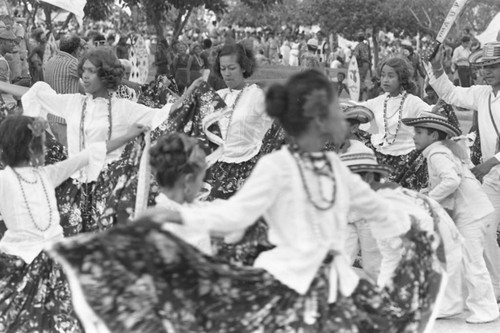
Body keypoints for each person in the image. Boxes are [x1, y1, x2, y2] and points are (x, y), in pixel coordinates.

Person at [47, 70, 445, 333]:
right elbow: (235, 214)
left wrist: (413, 225)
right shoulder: (276, 167)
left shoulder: (337, 167)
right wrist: (180, 217)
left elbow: (378, 208)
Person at [0, 47, 186, 236]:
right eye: (84, 70)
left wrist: (190, 94)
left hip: (109, 191)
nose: (85, 76)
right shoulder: (74, 103)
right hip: (73, 189)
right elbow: (34, 94)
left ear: (106, 74)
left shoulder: (123, 108)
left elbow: (163, 114)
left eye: (92, 71)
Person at [0, 115, 145, 332]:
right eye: (41, 142)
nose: (46, 147)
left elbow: (89, 155)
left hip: (59, 261)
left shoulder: (46, 174)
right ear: (31, 147)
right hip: (22, 262)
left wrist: (129, 135)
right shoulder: (5, 180)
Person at [339, 144, 463, 320]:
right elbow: (389, 257)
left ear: (365, 177)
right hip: (417, 232)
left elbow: (426, 224)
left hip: (437, 231)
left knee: (437, 283)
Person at [403, 111, 499, 323]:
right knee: (451, 260)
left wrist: (428, 200)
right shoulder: (444, 150)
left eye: (419, 132)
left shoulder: (437, 154)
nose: (414, 136)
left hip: (471, 214)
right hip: (470, 211)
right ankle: (449, 305)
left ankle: (486, 309)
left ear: (434, 136)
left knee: (472, 262)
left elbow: (452, 181)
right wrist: (428, 193)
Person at [429, 40, 500, 301]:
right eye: (484, 66)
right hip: (493, 179)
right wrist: (436, 65)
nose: (487, 71)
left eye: (494, 66)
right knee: (485, 230)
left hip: (490, 169)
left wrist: (491, 161)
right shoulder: (483, 93)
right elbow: (450, 93)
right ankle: (496, 288)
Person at [362, 56, 431, 190]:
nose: (385, 80)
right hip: (381, 156)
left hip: (406, 160)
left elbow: (431, 114)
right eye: (382, 76)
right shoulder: (379, 101)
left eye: (390, 76)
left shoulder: (412, 102)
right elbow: (358, 108)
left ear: (401, 78)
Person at [149, 132, 212, 254]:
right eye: (201, 180)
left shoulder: (154, 211)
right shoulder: (182, 230)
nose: (200, 186)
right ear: (188, 181)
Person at [44, 34, 85, 147]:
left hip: (52, 117)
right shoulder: (72, 63)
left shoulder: (51, 60)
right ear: (77, 49)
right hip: (64, 119)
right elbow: (91, 82)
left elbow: (80, 87)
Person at [0, 26, 17, 112]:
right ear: (1, 42)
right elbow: (2, 88)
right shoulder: (2, 62)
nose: (14, 44)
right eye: (10, 41)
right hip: (6, 106)